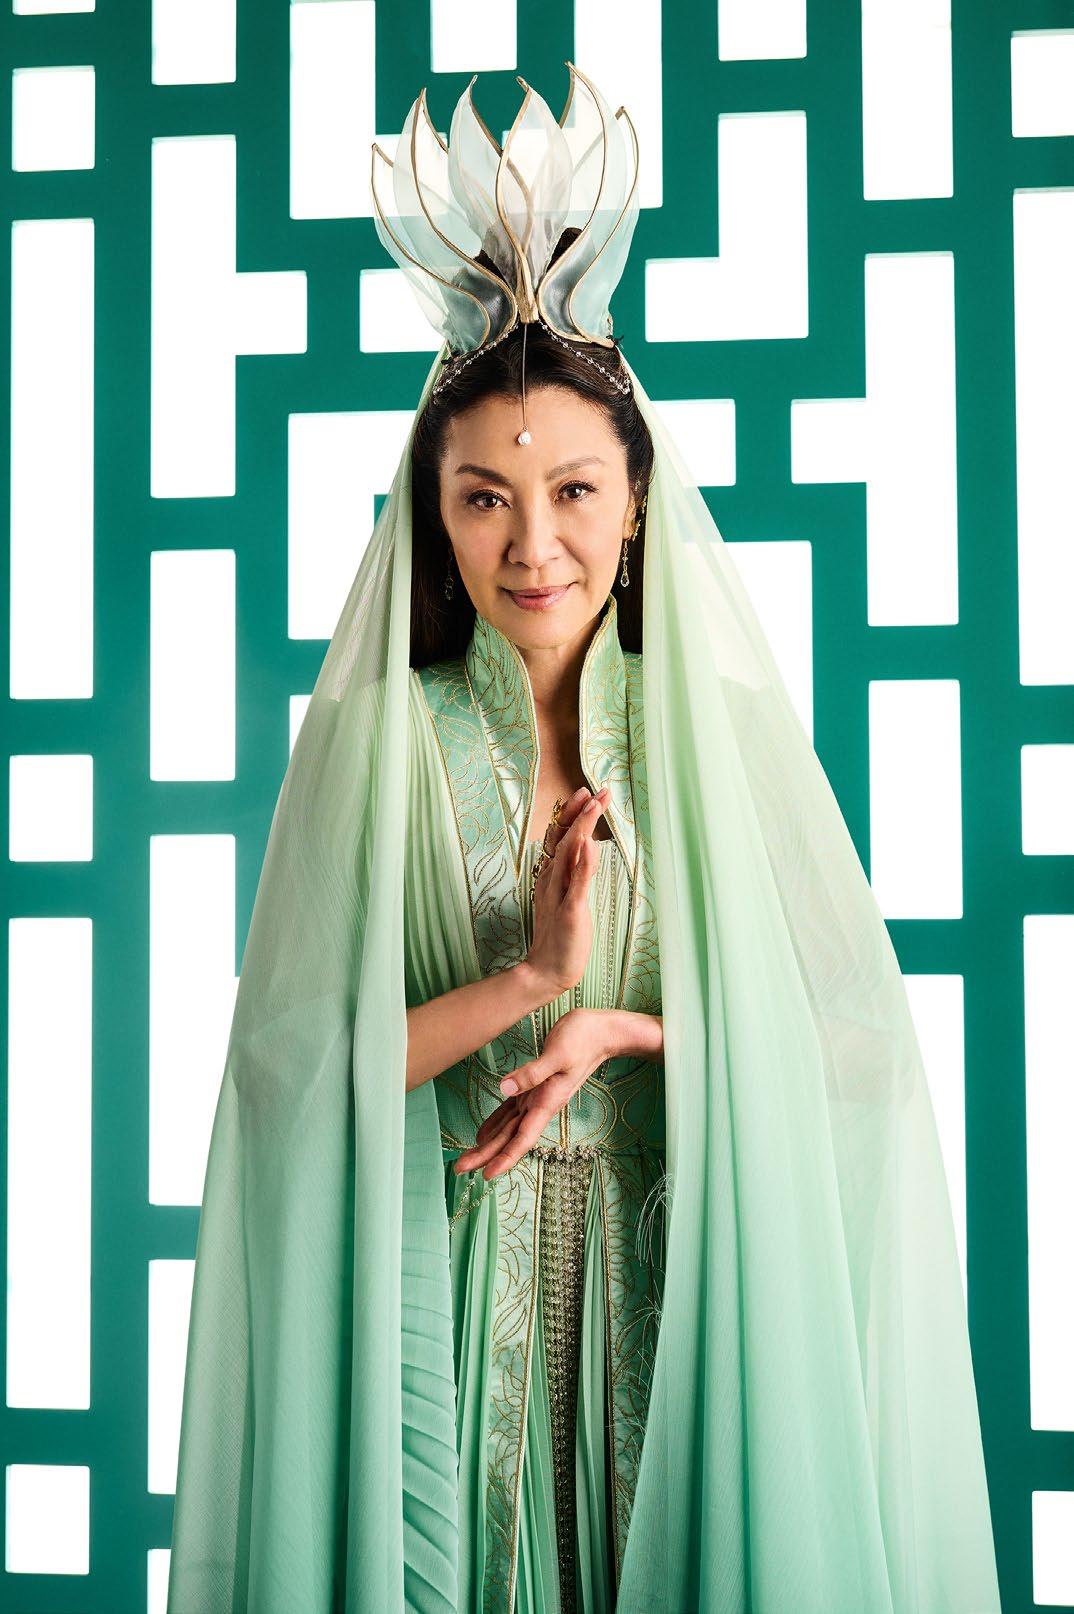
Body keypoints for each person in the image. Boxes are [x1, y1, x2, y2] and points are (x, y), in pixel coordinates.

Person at [166, 63, 1003, 1614]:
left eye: (570, 490)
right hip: (444, 1298)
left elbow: (862, 1060)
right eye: (483, 498)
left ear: (634, 502)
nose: (532, 541)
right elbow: (284, 1079)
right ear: (433, 514)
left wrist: (628, 1027)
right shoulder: (381, 743)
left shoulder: (714, 738)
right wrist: (529, 978)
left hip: (679, 1302)